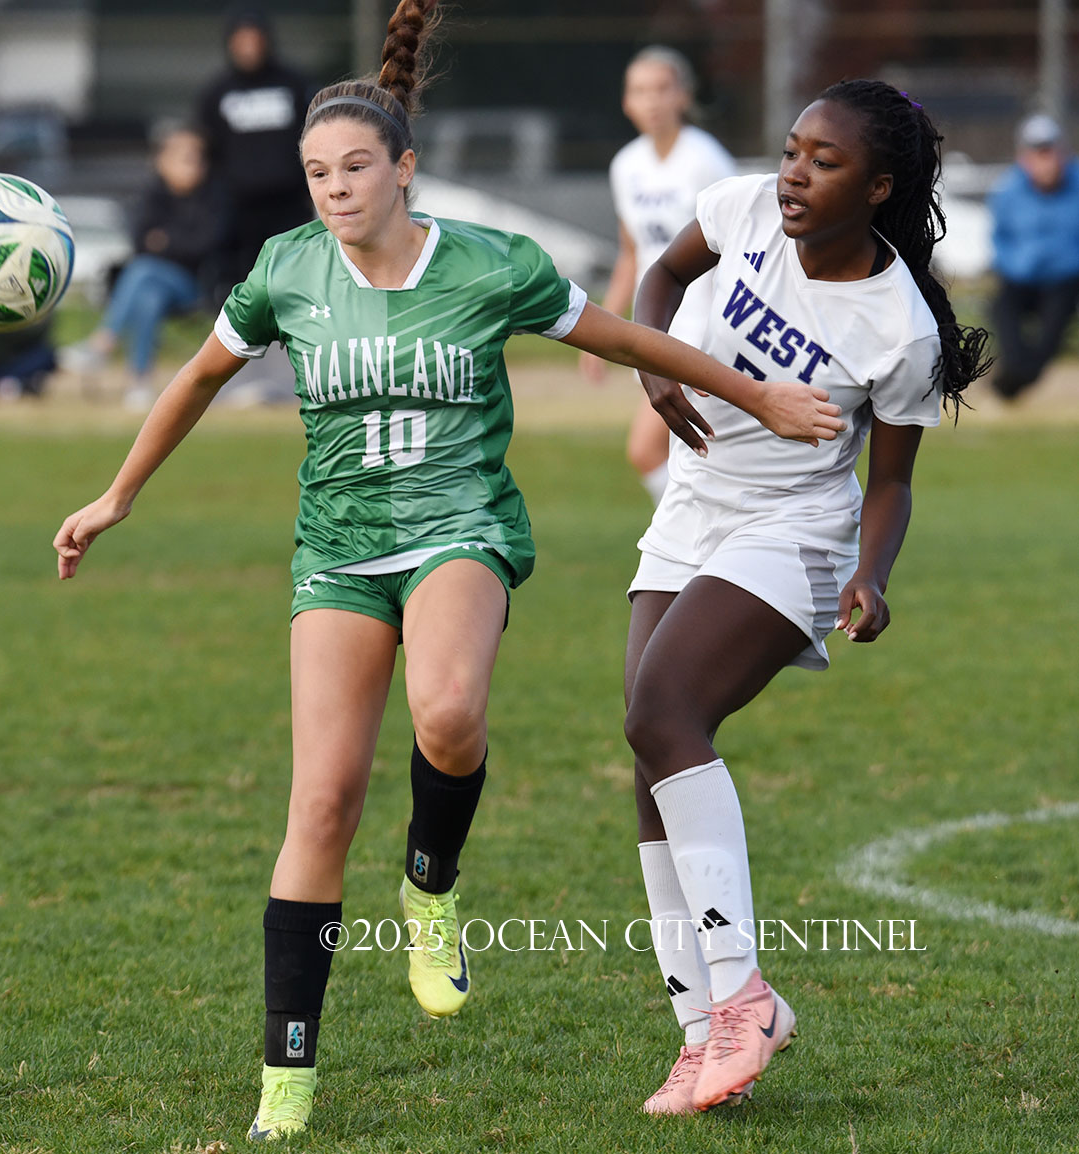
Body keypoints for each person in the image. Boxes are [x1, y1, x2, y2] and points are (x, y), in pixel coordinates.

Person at [52, 0, 844, 1140]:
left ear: (404, 169)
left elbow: (627, 336)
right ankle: (286, 1078)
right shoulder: (285, 269)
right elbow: (196, 378)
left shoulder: (488, 266)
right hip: (337, 551)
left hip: (458, 529)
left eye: (355, 167)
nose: (334, 189)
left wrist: (753, 394)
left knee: (449, 714)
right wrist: (117, 494)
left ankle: (430, 883)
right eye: (316, 172)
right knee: (320, 802)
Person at [622, 79, 991, 1117]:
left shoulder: (900, 328)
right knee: (650, 758)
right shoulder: (741, 207)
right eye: (791, 150)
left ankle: (743, 996)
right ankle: (701, 1035)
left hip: (793, 530)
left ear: (876, 188)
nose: (792, 174)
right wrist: (652, 367)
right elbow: (660, 274)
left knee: (662, 714)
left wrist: (872, 573)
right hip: (691, 507)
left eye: (823, 162)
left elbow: (891, 481)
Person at [580, 46, 735, 506]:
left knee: (648, 450)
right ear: (626, 102)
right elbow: (633, 253)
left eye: (663, 88)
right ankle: (707, 534)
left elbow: (739, 247)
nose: (652, 100)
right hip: (657, 323)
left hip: (705, 328)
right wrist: (600, 329)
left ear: (684, 96)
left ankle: (694, 535)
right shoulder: (626, 165)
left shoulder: (706, 160)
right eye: (640, 91)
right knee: (692, 457)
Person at [60, 125, 227, 409]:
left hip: (195, 286)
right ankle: (139, 384)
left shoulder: (214, 198)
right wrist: (173, 241)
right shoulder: (152, 195)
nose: (192, 164)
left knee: (143, 270)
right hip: (156, 286)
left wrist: (165, 240)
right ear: (162, 161)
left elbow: (205, 244)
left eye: (197, 158)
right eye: (183, 158)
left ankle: (103, 342)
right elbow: (140, 240)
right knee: (149, 296)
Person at [194, 6, 312, 301]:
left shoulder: (294, 84)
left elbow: (312, 136)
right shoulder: (216, 92)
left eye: (254, 39)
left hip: (288, 204)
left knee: (293, 278)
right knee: (244, 285)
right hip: (237, 209)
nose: (249, 48)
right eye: (242, 41)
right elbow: (207, 148)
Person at [987, 112, 1079, 400]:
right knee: (1002, 309)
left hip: (1064, 279)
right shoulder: (1008, 191)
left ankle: (1021, 377)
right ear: (1024, 157)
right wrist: (1012, 266)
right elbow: (1000, 237)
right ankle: (1015, 371)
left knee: (1054, 324)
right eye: (1037, 153)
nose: (1045, 161)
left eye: (1050, 151)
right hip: (1020, 276)